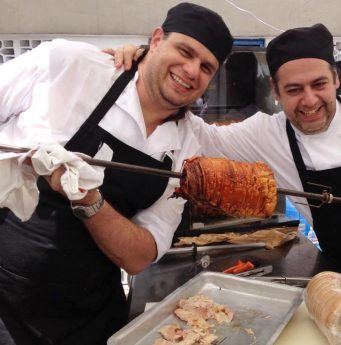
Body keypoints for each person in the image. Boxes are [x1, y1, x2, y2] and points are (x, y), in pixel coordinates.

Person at [115, 24, 341, 344]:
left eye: (318, 84)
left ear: (335, 79)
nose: (309, 100)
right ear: (276, 92)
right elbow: (201, 134)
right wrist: (146, 70)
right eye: (293, 90)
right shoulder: (267, 134)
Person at [0, 3, 233, 344]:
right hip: (6, 304)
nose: (191, 70)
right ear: (156, 40)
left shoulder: (187, 150)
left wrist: (89, 199)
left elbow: (140, 256)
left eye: (207, 67)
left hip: (91, 316)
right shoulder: (69, 65)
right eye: (184, 51)